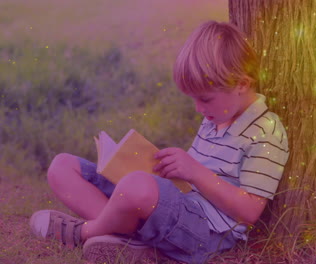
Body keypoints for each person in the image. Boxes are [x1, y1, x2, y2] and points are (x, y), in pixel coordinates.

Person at [29, 20, 289, 264]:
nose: (198, 109)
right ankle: (128, 241)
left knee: (137, 186)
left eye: (205, 99)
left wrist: (194, 172)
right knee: (62, 167)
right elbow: (186, 186)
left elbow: (250, 211)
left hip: (207, 232)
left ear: (242, 84)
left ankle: (85, 232)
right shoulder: (216, 116)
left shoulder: (266, 131)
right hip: (179, 208)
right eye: (194, 99)